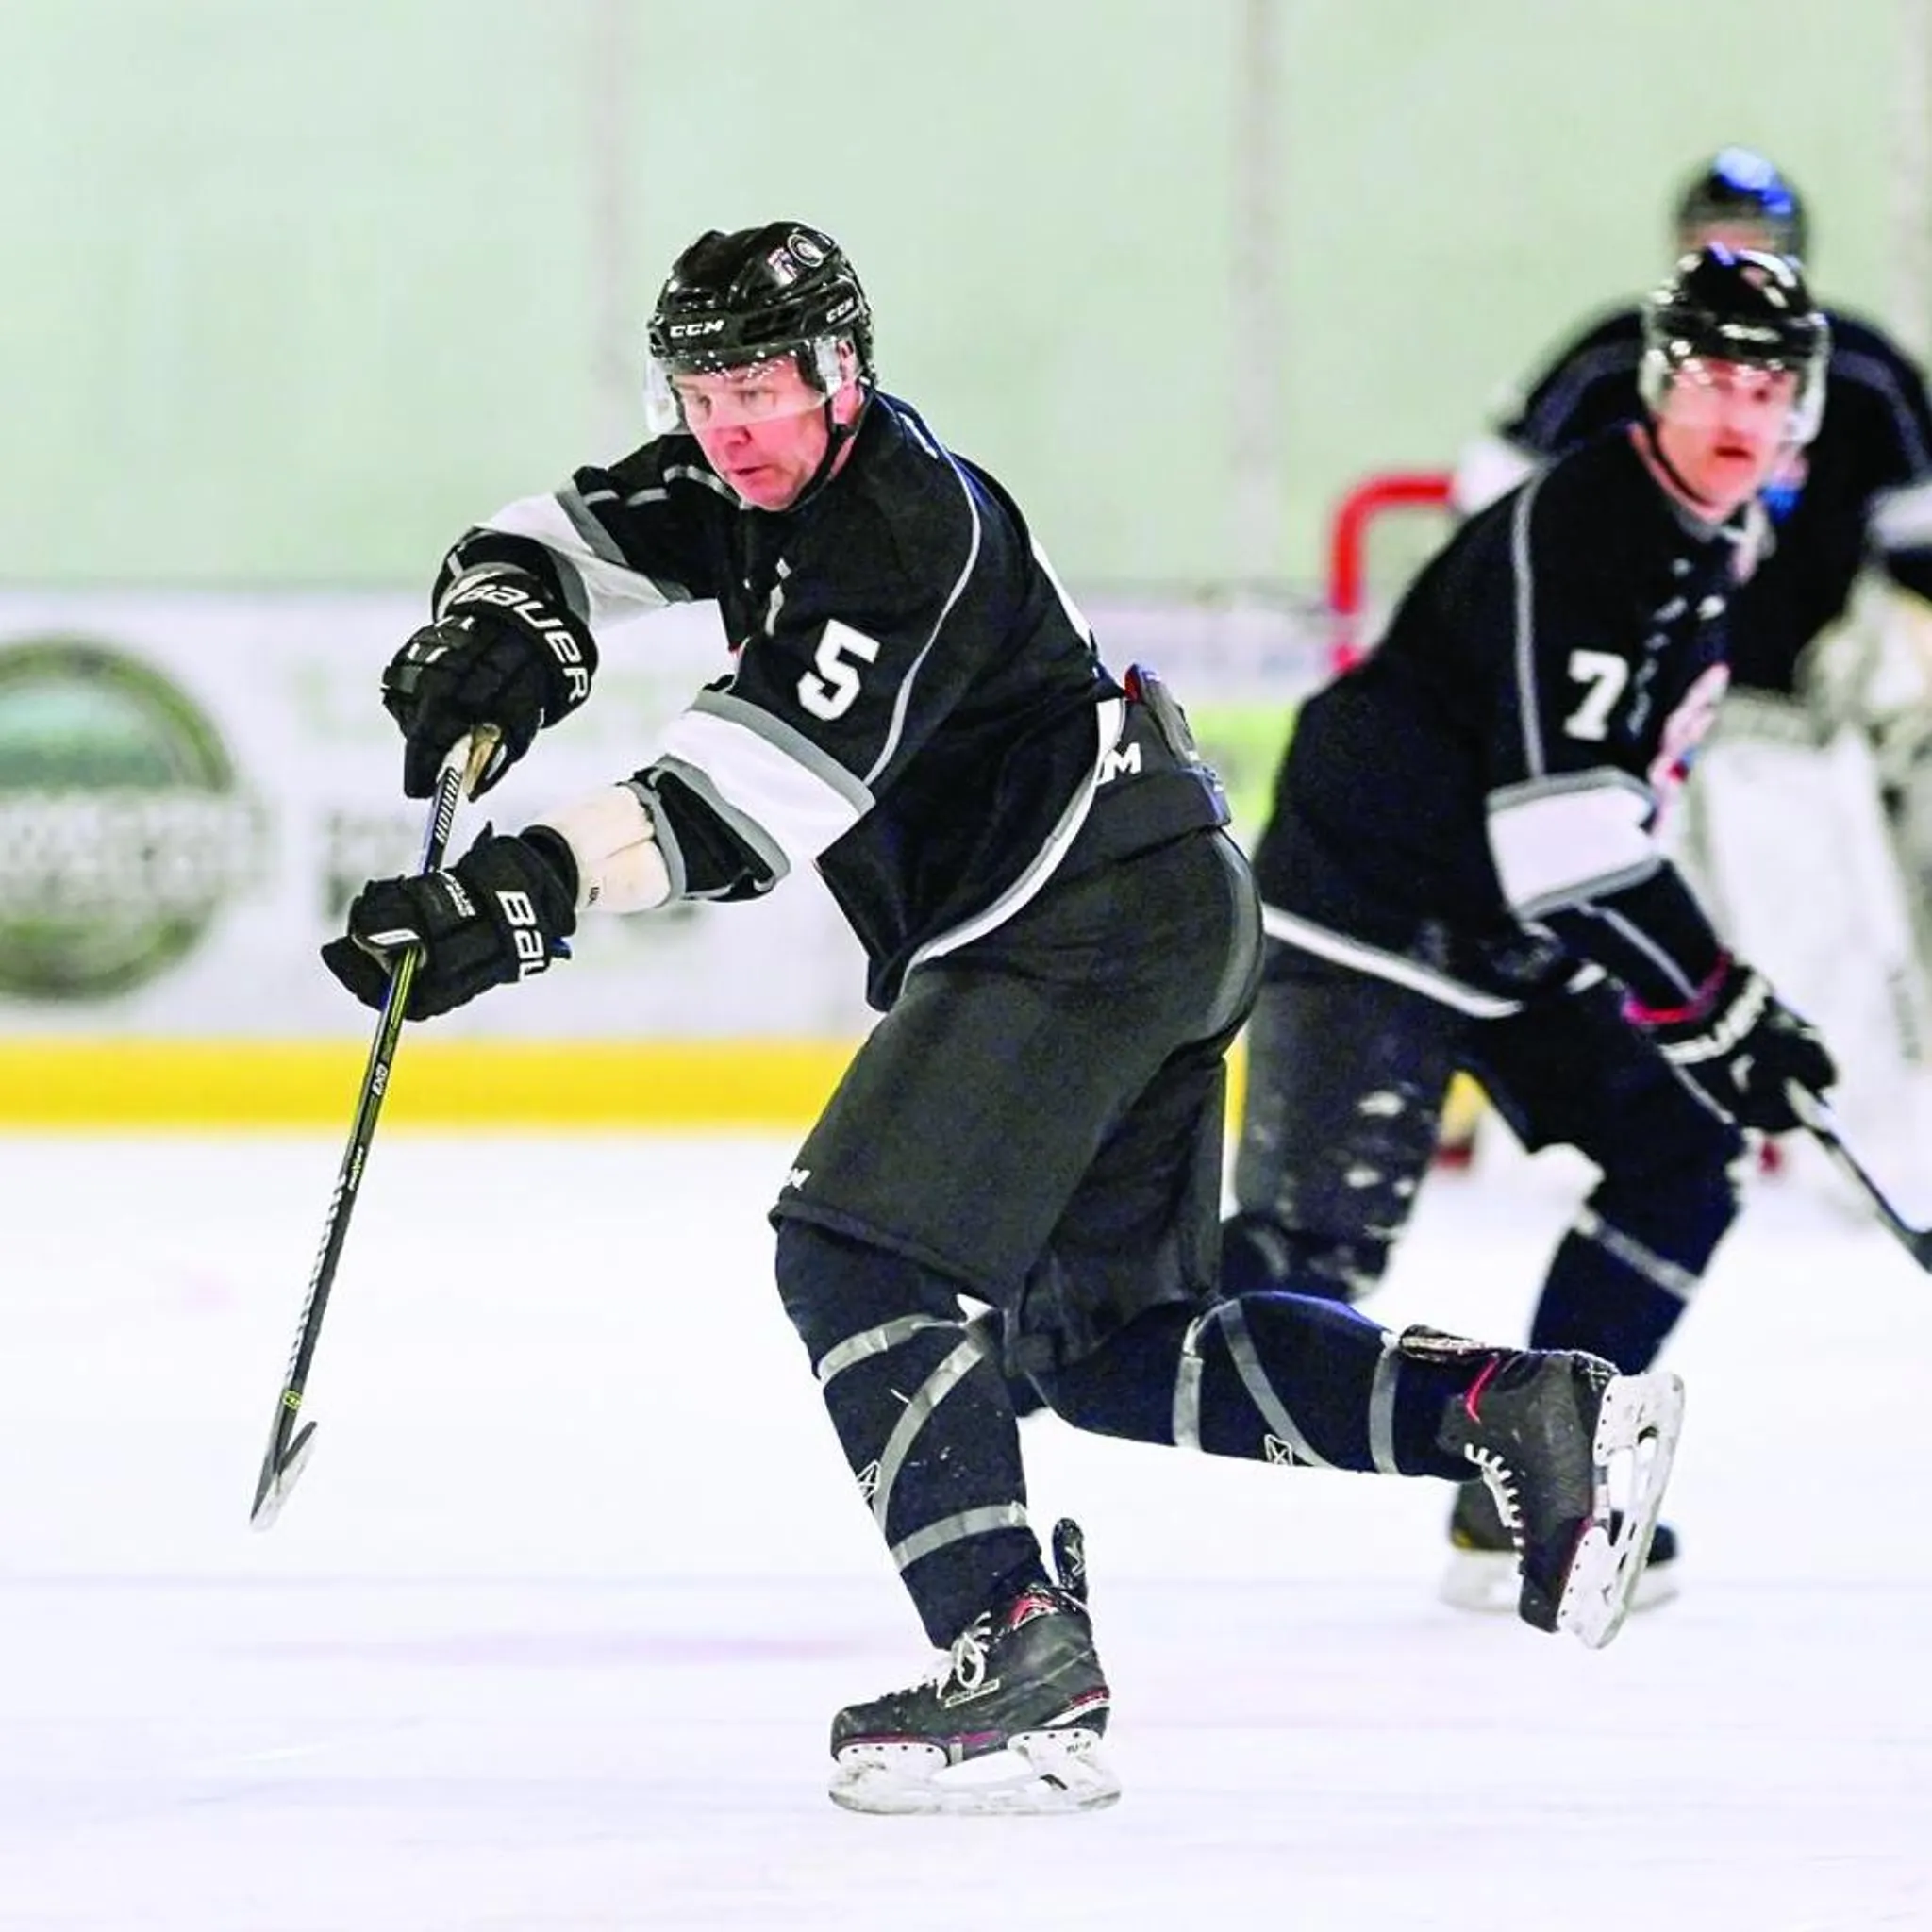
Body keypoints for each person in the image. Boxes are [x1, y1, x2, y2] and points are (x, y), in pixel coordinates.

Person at [323, 220, 1684, 1816]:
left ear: (842, 374)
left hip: (1078, 921)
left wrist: (522, 891)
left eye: (759, 386)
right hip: (1143, 905)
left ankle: (1010, 1648)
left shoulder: (906, 527)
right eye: (698, 392)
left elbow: (744, 801)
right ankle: (1519, 1410)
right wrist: (503, 627)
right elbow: (549, 534)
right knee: (1099, 1344)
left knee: (850, 1248)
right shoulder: (738, 477)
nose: (725, 426)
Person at [1224, 244, 1835, 1622]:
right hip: (1374, 907)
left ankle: (1530, 1495)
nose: (1741, 415)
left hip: (1508, 930)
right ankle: (1001, 1355)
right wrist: (1717, 994)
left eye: (1770, 386)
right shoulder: (1594, 525)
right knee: (1295, 1277)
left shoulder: (1724, 530)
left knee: (1684, 1154)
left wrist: (1711, 1009)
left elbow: (1592, 824)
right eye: (1716, 380)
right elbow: (1558, 839)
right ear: (1662, 382)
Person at [1454, 147, 1932, 1171]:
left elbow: (1919, 551)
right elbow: (1488, 522)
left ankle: (1856, 1156)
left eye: (1752, 243)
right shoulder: (1608, 359)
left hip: (1775, 722)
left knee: (1821, 943)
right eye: (1708, 241)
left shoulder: (1857, 371)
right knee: (1608, 934)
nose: (1730, 262)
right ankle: (1619, 1152)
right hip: (1615, 721)